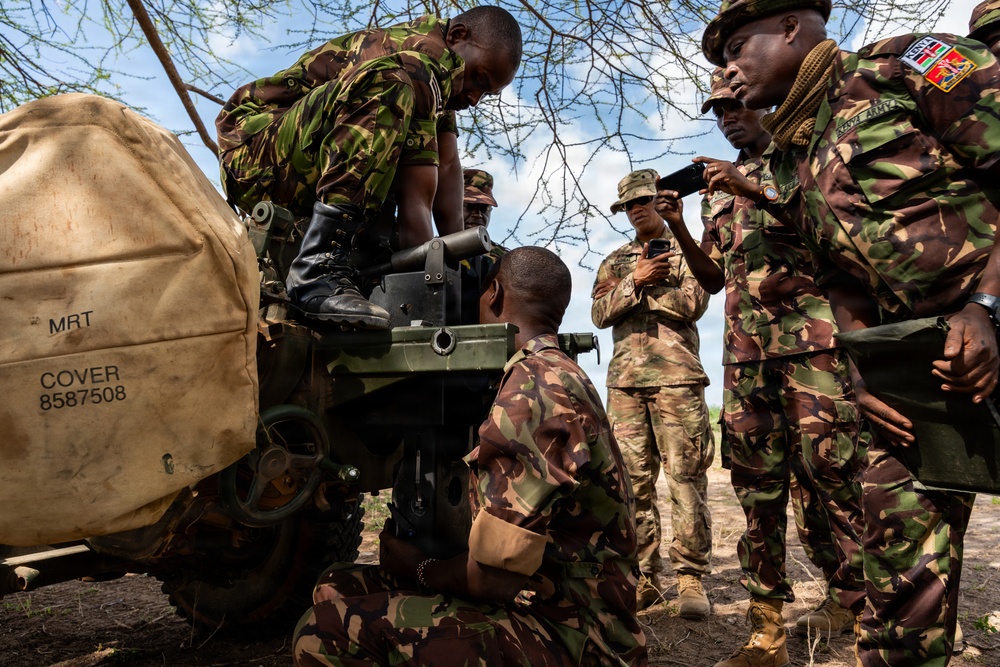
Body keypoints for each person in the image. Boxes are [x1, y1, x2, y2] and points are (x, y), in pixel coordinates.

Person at [703, 0, 1000, 664]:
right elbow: (838, 275)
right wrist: (863, 369)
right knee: (897, 572)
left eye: (736, 48)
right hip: (922, 368)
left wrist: (986, 304)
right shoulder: (797, 155)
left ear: (790, 26)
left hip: (984, 325)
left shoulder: (906, 66)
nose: (730, 72)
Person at [292, 246, 648, 667]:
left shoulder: (533, 391)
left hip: (573, 634)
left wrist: (419, 567)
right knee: (336, 585)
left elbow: (493, 579)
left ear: (494, 294)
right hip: (540, 598)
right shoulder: (557, 370)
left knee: (321, 633)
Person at [654, 70, 867, 666]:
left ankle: (861, 613)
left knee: (834, 481)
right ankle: (766, 635)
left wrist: (753, 188)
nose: (728, 119)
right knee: (756, 491)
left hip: (816, 349)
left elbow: (837, 234)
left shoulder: (803, 160)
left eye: (736, 106)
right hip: (746, 359)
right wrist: (678, 225)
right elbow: (710, 277)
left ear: (764, 105)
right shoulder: (716, 192)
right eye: (719, 112)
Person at [216, 7, 522, 328]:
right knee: (391, 82)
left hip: (300, 161)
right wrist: (426, 293)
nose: (475, 98)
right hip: (254, 155)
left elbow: (445, 167)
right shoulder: (415, 62)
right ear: (457, 36)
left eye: (487, 93)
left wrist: (466, 265)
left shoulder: (442, 82)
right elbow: (416, 200)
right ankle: (316, 270)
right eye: (478, 79)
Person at [591, 169, 714, 619]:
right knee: (632, 483)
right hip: (624, 385)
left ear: (660, 202)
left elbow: (694, 304)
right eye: (628, 205)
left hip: (677, 379)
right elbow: (599, 314)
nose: (636, 209)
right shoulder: (615, 261)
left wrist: (643, 289)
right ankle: (644, 575)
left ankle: (690, 577)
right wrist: (635, 280)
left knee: (686, 478)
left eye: (643, 200)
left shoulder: (688, 251)